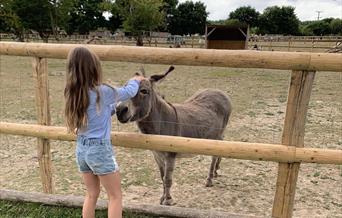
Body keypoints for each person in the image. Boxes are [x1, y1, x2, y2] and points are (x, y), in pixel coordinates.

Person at [64, 46, 143, 218]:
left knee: (91, 194)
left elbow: (97, 112)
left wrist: (113, 110)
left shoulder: (74, 93)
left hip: (82, 149)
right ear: (94, 68)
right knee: (115, 196)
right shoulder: (102, 91)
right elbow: (129, 92)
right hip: (99, 150)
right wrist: (135, 80)